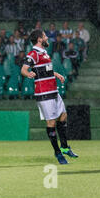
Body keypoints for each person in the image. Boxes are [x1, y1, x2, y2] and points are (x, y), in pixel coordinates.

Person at [21, 30, 78, 165]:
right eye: (45, 36)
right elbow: (23, 69)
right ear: (40, 39)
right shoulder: (33, 53)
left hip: (53, 90)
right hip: (44, 92)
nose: (47, 37)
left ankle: (64, 147)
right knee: (51, 123)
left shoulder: (44, 53)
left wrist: (56, 74)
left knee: (63, 116)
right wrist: (27, 74)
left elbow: (45, 68)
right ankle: (58, 152)